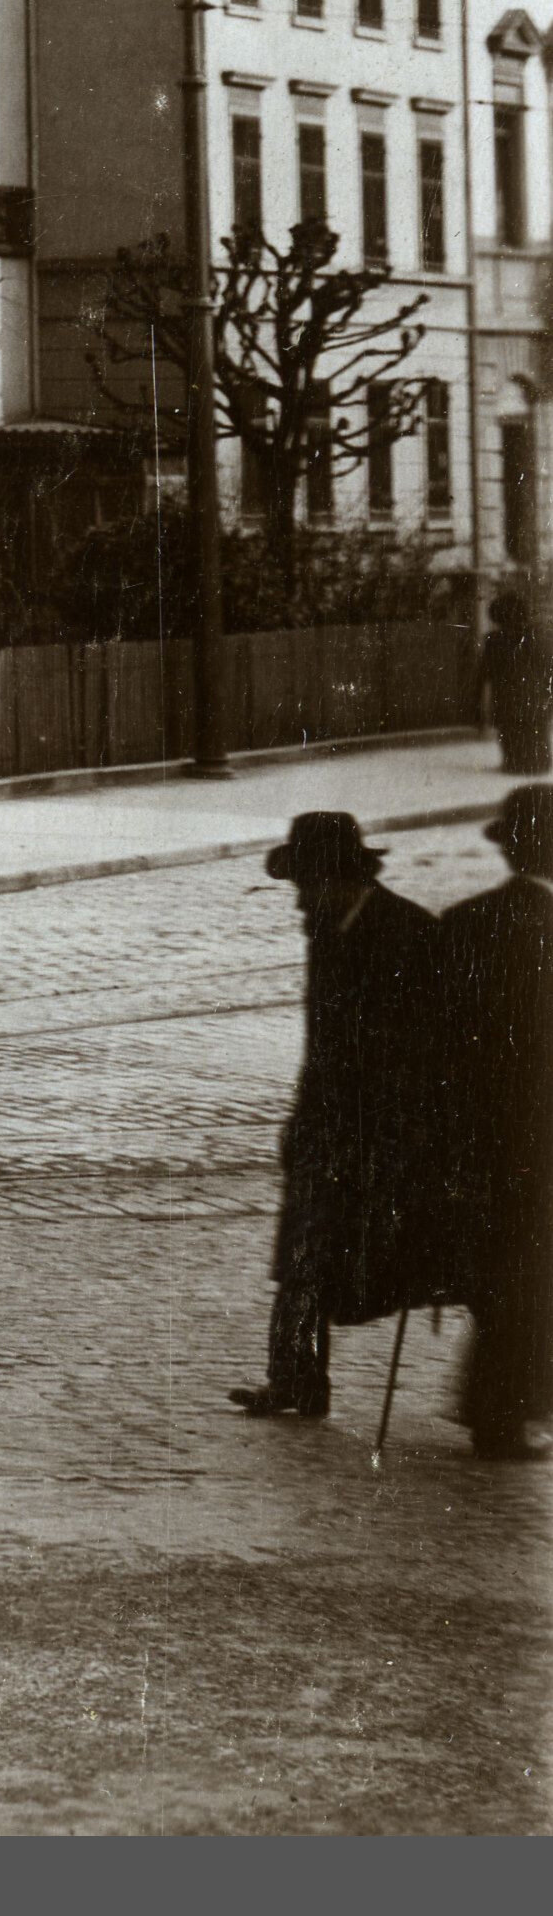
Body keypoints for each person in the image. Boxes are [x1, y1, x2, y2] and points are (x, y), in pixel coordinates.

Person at [231, 811, 460, 1419]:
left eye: (306, 884)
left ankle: (498, 1393)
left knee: (395, 1255)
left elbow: (432, 1049)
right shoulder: (326, 928)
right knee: (301, 1254)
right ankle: (296, 1381)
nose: (298, 900)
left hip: (386, 1129)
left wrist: (409, 1129)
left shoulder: (411, 933)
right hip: (326, 1125)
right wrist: (301, 1120)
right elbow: (323, 1044)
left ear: (338, 877)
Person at [445, 785, 553, 1459]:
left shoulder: (466, 920)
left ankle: (500, 1409)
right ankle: (504, 1416)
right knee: (529, 1276)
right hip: (538, 1138)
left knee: (502, 1275)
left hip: (477, 1135)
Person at [492, 588, 551, 780]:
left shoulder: (495, 640)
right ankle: (539, 763)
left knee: (511, 730)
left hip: (508, 696)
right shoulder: (538, 636)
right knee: (535, 730)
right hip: (535, 694)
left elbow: (487, 671)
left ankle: (514, 763)